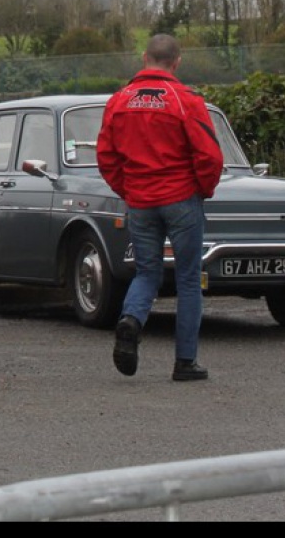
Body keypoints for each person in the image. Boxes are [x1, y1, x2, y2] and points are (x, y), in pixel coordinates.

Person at [97, 34, 224, 382]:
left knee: (146, 273)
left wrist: (128, 189)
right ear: (177, 62)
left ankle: (131, 320)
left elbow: (106, 156)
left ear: (144, 57)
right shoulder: (186, 101)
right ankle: (185, 362)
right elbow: (210, 155)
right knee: (187, 280)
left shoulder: (119, 101)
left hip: (140, 201)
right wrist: (202, 189)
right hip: (181, 199)